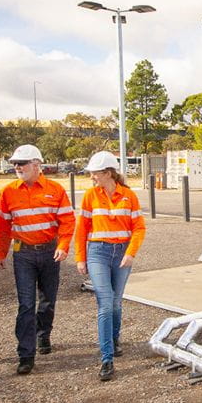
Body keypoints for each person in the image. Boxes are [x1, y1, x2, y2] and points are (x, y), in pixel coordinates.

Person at [0, 145, 75, 375]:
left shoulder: (55, 189)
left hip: (50, 252)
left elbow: (67, 221)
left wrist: (63, 246)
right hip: (24, 254)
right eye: (15, 164)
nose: (17, 167)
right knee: (26, 304)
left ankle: (43, 335)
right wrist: (0, 252)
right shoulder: (8, 192)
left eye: (22, 163)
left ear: (37, 165)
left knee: (48, 300)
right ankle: (26, 354)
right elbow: (2, 226)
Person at [74, 151, 145, 381]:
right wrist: (80, 257)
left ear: (108, 173)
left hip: (122, 252)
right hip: (97, 252)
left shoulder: (129, 196)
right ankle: (107, 358)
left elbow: (139, 228)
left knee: (115, 302)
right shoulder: (90, 196)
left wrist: (131, 253)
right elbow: (82, 228)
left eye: (95, 173)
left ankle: (114, 339)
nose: (92, 177)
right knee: (105, 302)